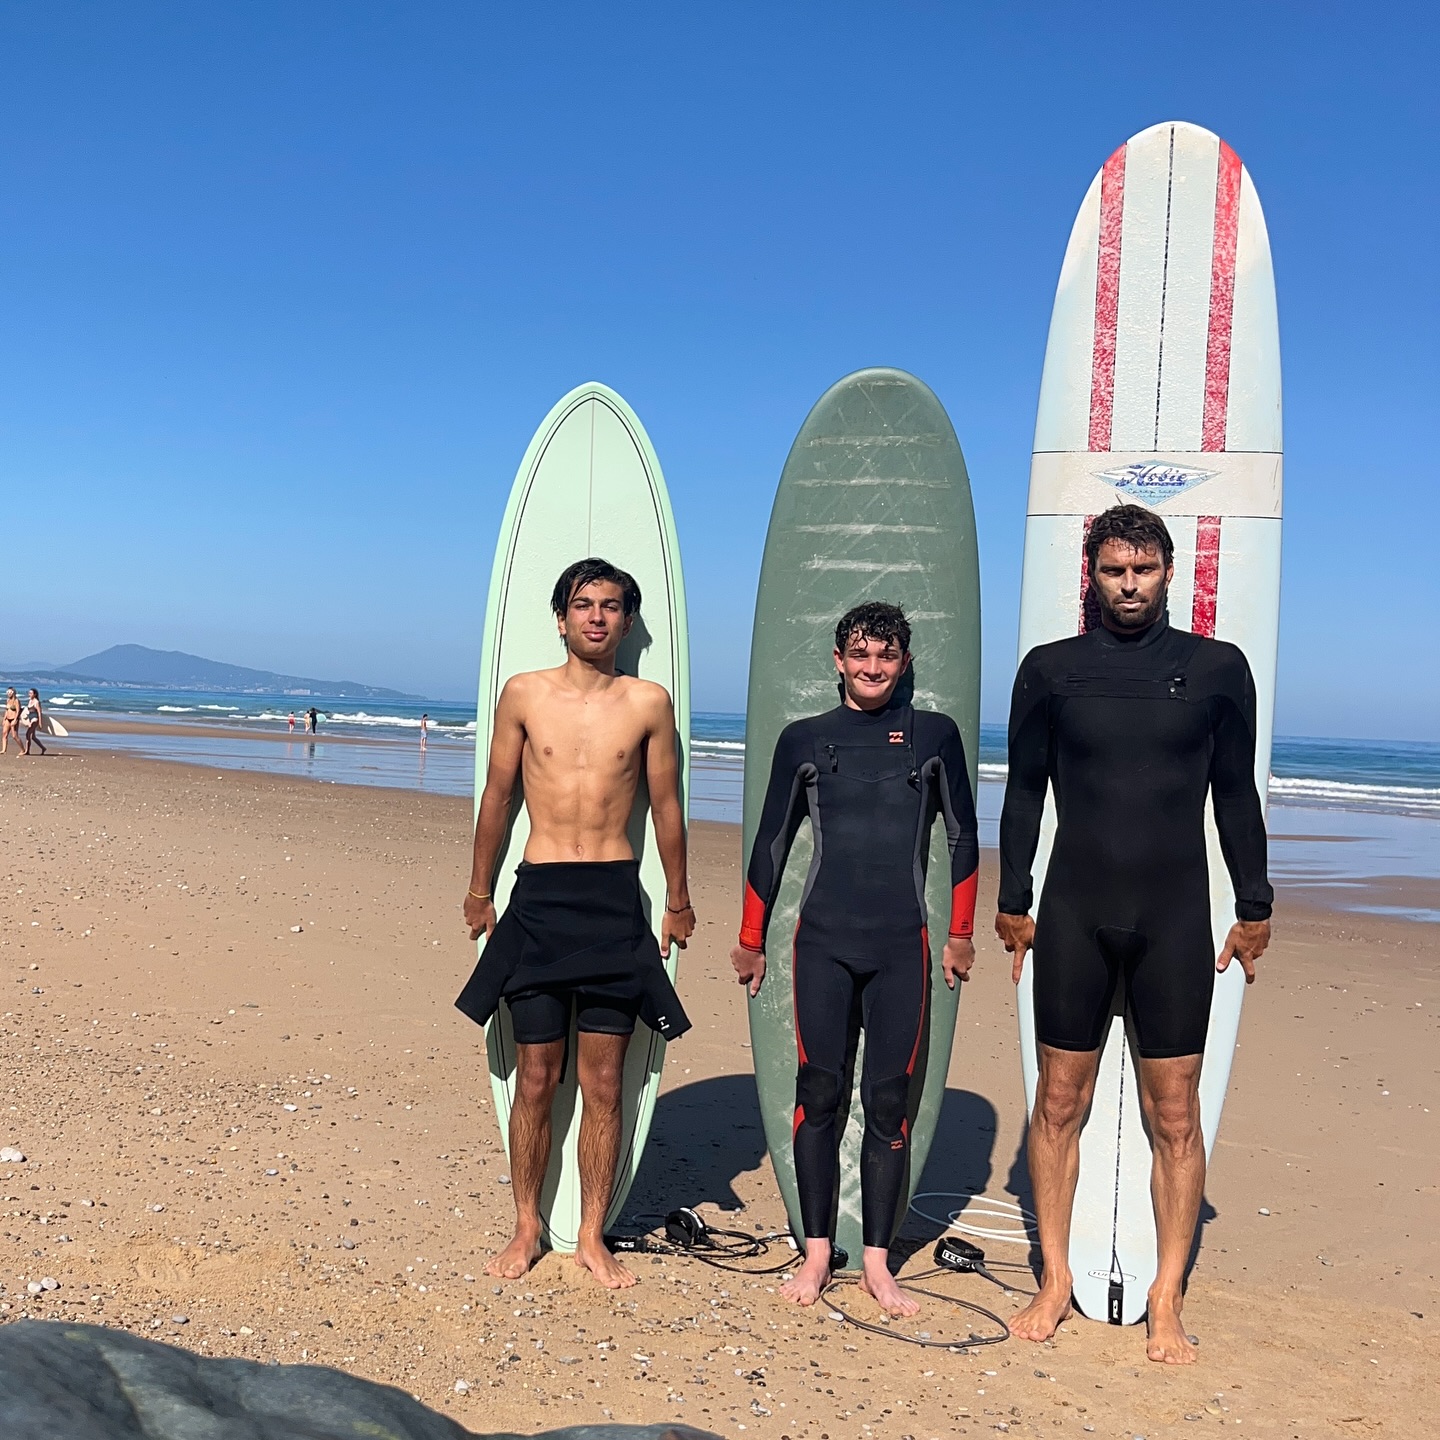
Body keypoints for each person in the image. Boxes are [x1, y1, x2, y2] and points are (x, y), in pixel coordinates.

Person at [995, 504, 1272, 1364]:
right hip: (1075, 914)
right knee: (1058, 1103)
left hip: (1175, 917)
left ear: (1168, 572)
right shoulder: (1049, 671)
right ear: (1091, 572)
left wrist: (1255, 905)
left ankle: (1165, 1295)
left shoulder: (1218, 669)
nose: (1128, 586)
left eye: (1143, 571)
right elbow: (1023, 794)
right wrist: (1013, 897)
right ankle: (1053, 1281)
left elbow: (1235, 796)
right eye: (1113, 571)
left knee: (1176, 1115)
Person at [731, 601, 979, 1317]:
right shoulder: (804, 741)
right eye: (861, 655)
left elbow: (963, 836)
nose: (874, 668)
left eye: (888, 656)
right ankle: (815, 1252)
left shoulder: (933, 737)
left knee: (890, 1103)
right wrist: (751, 941)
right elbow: (771, 842)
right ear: (838, 660)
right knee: (819, 1094)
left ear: (904, 662)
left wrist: (960, 931)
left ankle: (876, 1260)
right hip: (823, 945)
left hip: (904, 945)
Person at [456, 556, 694, 1289]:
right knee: (535, 1076)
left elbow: (667, 809)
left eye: (612, 605)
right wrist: (479, 888)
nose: (597, 616)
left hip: (614, 900)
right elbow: (498, 796)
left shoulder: (648, 702)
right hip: (540, 898)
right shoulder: (524, 695)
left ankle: (591, 1232)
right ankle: (527, 1225)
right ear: (561, 618)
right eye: (584, 604)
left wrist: (678, 898)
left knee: (604, 1080)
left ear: (628, 619)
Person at [22, 690, 46, 757]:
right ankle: (43, 748)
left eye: (31, 693)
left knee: (27, 734)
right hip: (30, 718)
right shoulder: (30, 701)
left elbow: (39, 713)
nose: (29, 694)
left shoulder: (36, 702)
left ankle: (27, 751)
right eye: (29, 693)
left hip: (35, 719)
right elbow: (28, 711)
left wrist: (40, 723)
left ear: (34, 694)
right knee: (33, 737)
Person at [1, 689, 21, 755]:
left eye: (10, 692)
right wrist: (4, 719)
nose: (9, 693)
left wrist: (15, 719)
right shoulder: (8, 700)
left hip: (13, 719)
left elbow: (18, 711)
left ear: (13, 693)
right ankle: (4, 750)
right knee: (4, 734)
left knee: (14, 736)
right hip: (8, 719)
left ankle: (23, 749)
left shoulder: (16, 701)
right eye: (8, 692)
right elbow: (7, 710)